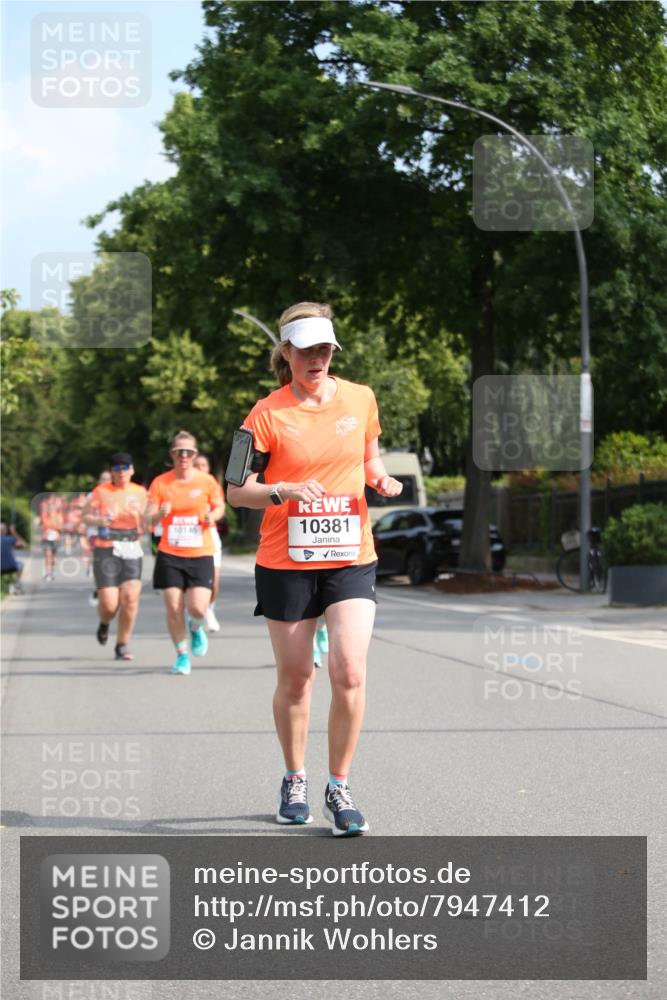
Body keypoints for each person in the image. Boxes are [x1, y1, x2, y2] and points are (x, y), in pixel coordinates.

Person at [227, 301, 402, 836]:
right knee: (298, 677)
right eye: (306, 350)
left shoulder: (361, 398)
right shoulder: (264, 414)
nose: (317, 359)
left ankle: (339, 787)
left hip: (350, 554)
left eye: (325, 349)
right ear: (286, 352)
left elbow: (369, 458)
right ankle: (295, 778)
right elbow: (236, 492)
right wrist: (281, 489)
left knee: (349, 670)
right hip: (287, 560)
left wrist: (380, 478)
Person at [146, 431, 225, 675]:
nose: (184, 456)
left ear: (194, 454)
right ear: (172, 454)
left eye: (188, 452)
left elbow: (220, 506)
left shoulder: (206, 481)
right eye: (179, 451)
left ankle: (195, 627)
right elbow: (147, 518)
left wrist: (213, 516)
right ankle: (181, 655)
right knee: (173, 606)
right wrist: (159, 514)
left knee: (198, 608)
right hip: (170, 553)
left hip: (200, 552)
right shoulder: (161, 483)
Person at [82, 454, 147, 661]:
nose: (121, 471)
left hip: (131, 547)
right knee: (110, 605)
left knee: (130, 598)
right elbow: (85, 517)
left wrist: (143, 516)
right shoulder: (101, 491)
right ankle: (104, 623)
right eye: (116, 468)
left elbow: (149, 521)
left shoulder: (140, 492)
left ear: (132, 470)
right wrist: (99, 520)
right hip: (106, 549)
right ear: (112, 471)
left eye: (125, 467)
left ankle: (122, 644)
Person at [193, 454, 223, 632]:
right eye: (196, 465)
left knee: (214, 581)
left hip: (208, 535)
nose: (200, 468)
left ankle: (209, 608)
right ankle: (195, 612)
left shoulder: (212, 484)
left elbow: (220, 507)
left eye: (203, 465)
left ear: (208, 468)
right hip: (188, 540)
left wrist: (213, 516)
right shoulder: (181, 484)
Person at [40, 495, 63, 581]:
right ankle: (47, 573)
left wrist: (51, 526)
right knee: (47, 556)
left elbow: (60, 526)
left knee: (53, 558)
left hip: (55, 539)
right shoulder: (45, 516)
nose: (51, 510)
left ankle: (52, 572)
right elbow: (44, 524)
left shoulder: (58, 516)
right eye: (49, 508)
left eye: (52, 508)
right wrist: (52, 526)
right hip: (46, 539)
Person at [1, 522, 27, 593]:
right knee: (20, 564)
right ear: (5, 531)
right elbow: (24, 544)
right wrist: (14, 532)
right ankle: (17, 584)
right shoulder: (10, 539)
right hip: (11, 567)